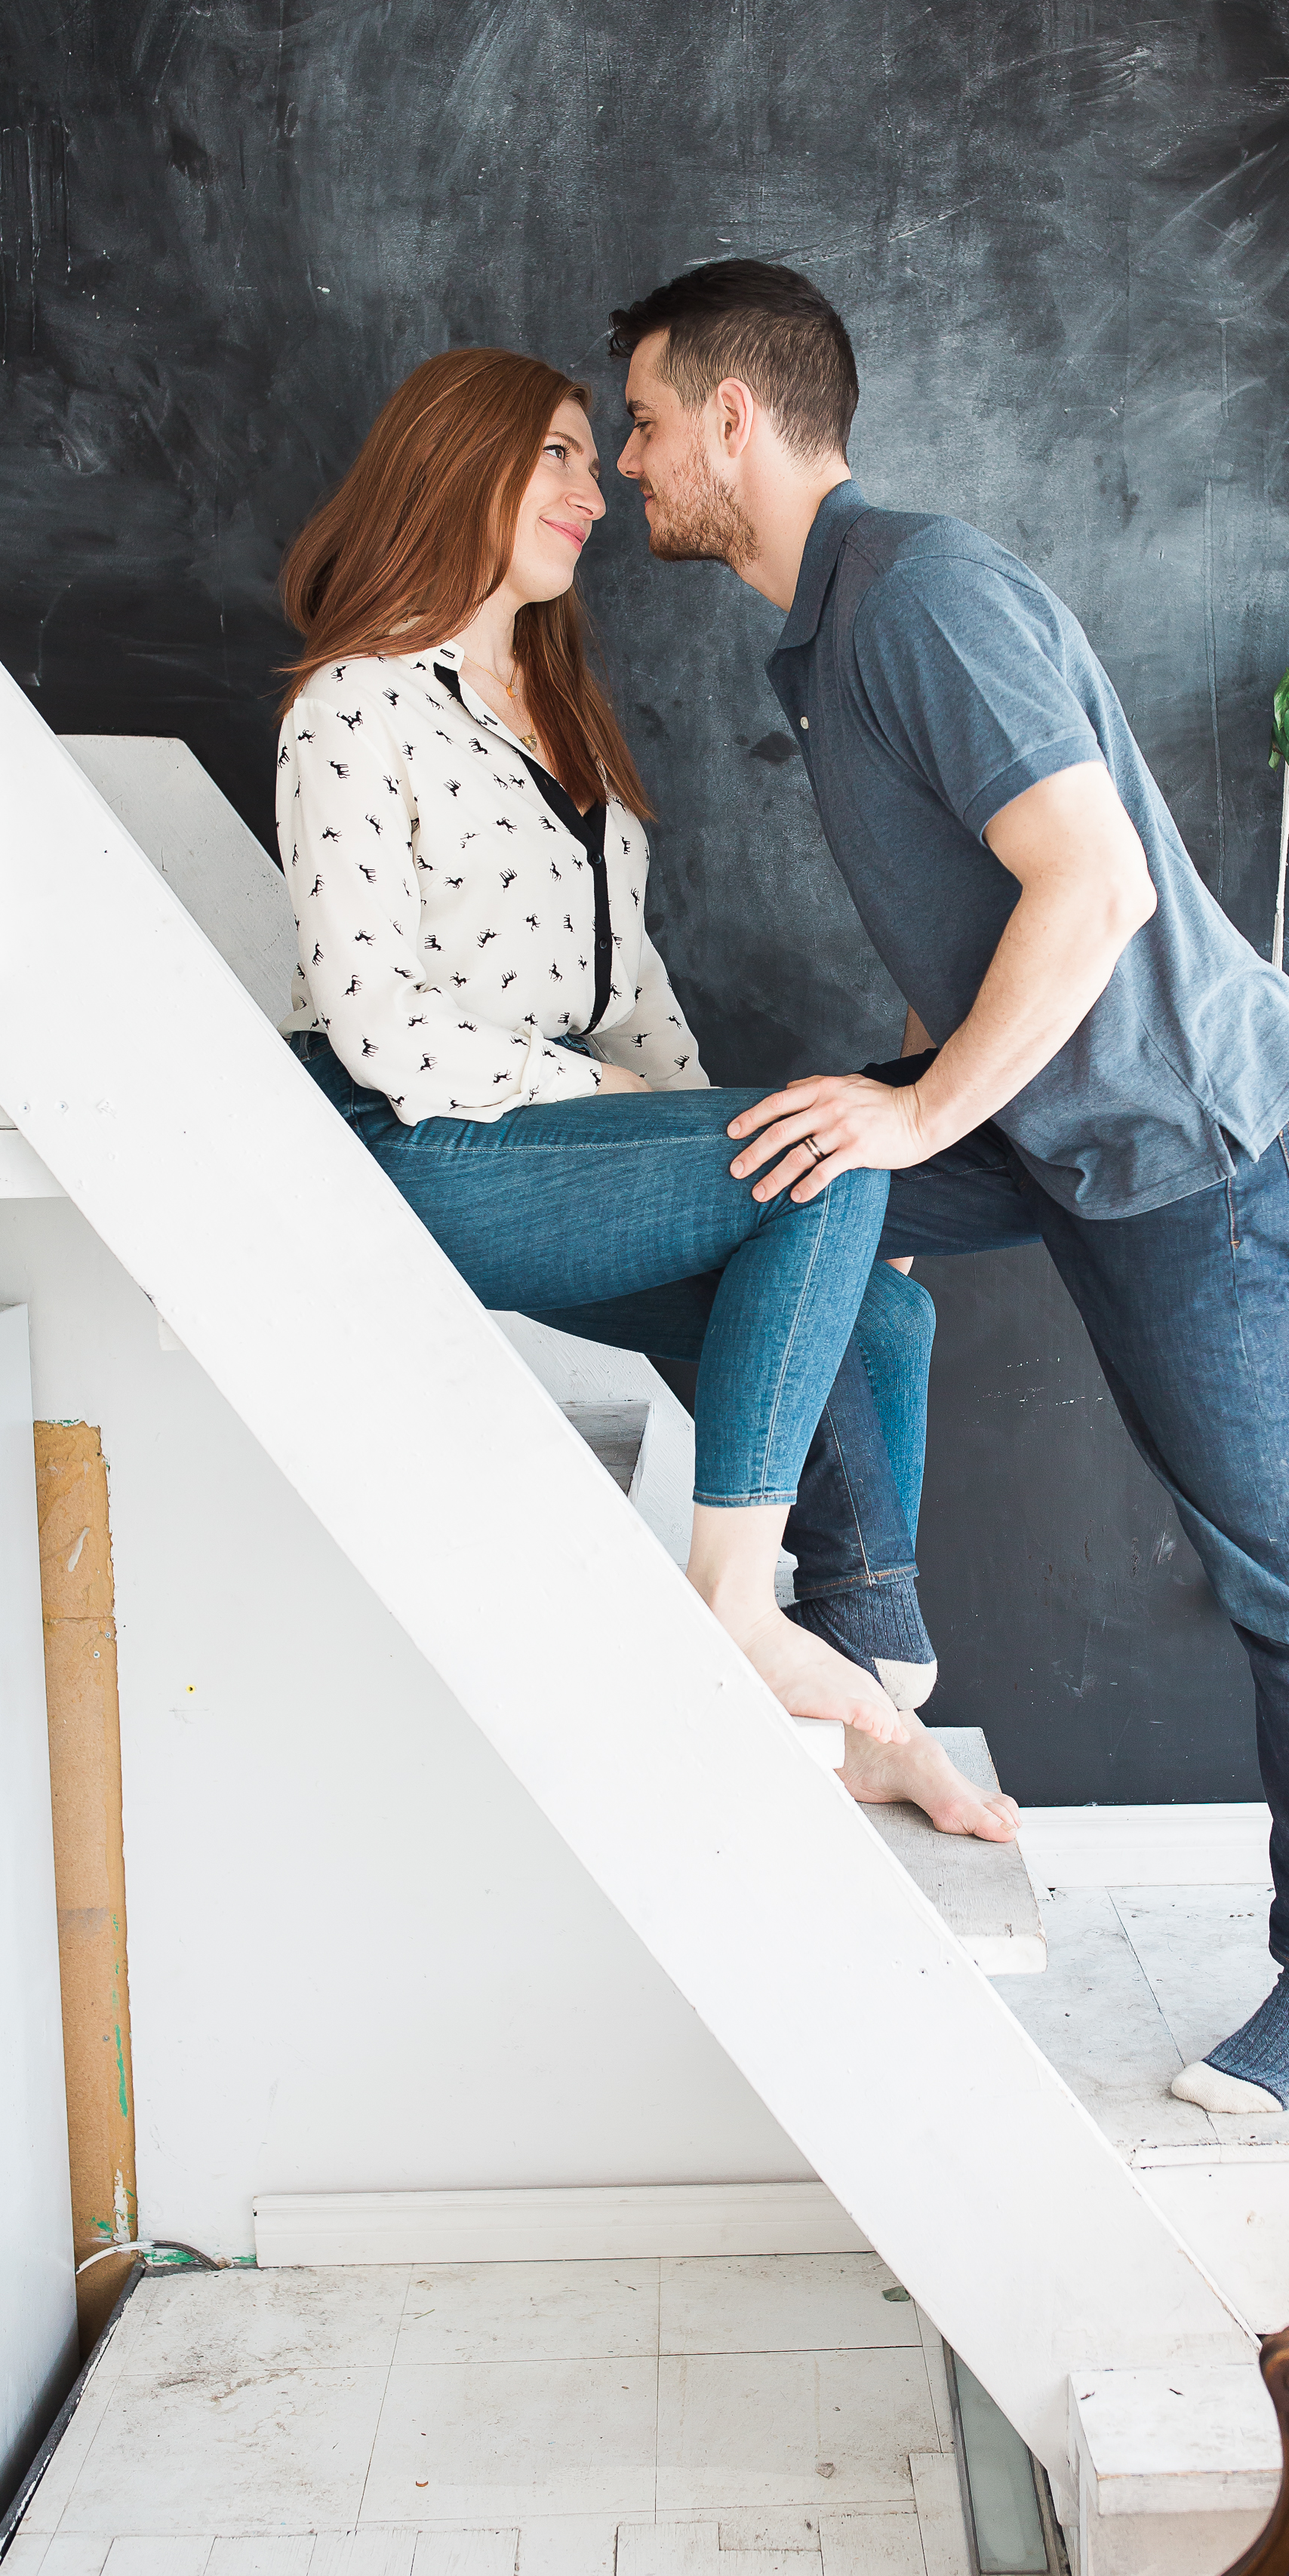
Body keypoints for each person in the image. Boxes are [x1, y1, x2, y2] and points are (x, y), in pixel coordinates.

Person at [608, 261, 1289, 2115]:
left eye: (642, 422)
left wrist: (919, 1112)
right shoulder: (824, 639)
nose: (629, 462)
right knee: (771, 1176)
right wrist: (906, 1093)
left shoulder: (921, 598)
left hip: (1190, 1153)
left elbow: (1096, 887)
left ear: (735, 419)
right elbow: (971, 903)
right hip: (1046, 1120)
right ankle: (868, 1605)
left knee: (1288, 1577)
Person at [271, 343, 977, 1777]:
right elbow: (377, 1021)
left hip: (560, 1144)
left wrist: (699, 1137)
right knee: (827, 1146)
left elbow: (628, 993)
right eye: (558, 454)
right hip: (415, 1147)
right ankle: (736, 1604)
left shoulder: (561, 709)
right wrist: (655, 1117)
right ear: (451, 462)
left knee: (878, 1304)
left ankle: (870, 1671)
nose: (596, 488)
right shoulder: (352, 706)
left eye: (600, 453)